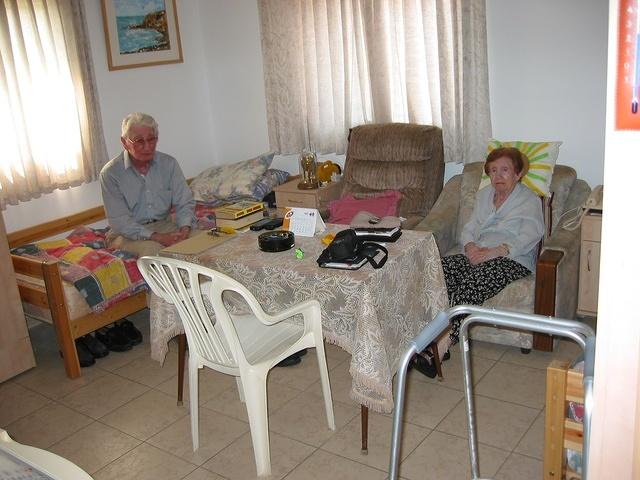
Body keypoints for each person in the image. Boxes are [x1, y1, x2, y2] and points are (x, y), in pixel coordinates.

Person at [413, 147, 545, 377]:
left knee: (471, 283)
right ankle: (425, 337)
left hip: (511, 258)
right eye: (493, 171)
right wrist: (470, 246)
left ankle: (441, 349)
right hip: (477, 252)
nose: (498, 176)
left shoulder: (529, 200)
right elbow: (471, 226)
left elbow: (531, 235)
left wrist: (497, 251)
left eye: (505, 170)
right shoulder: (484, 195)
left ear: (518, 173)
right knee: (439, 272)